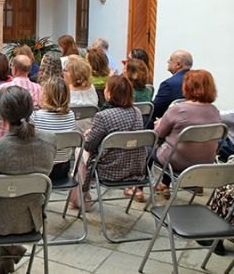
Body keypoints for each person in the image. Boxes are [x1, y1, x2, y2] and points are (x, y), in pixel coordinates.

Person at [0, 86, 57, 274]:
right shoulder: (50, 141)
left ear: (1, 115)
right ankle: (9, 255)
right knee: (12, 196)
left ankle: (9, 253)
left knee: (0, 199)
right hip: (31, 219)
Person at [73, 75, 145, 208]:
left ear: (110, 93)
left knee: (79, 151)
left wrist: (90, 134)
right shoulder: (137, 112)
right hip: (135, 170)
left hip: (109, 170)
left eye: (106, 88)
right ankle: (80, 198)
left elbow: (89, 146)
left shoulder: (103, 116)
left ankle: (82, 198)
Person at [153, 70, 221, 197]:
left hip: (178, 162)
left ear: (187, 86)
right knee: (176, 143)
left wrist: (159, 123)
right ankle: (166, 185)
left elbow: (158, 134)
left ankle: (137, 188)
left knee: (150, 149)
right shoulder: (214, 111)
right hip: (204, 163)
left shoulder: (178, 109)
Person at [0, 55, 42, 140]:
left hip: (3, 137)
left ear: (15, 69)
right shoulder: (38, 88)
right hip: (29, 136)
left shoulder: (3, 88)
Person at [30, 77, 75, 181]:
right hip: (62, 170)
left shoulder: (35, 116)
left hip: (40, 171)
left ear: (46, 96)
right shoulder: (71, 115)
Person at [151, 49, 192, 127]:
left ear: (178, 64)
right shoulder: (198, 81)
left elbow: (155, 110)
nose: (168, 62)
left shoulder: (168, 84)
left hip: (171, 124)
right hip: (191, 123)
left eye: (170, 60)